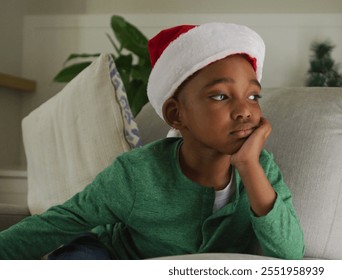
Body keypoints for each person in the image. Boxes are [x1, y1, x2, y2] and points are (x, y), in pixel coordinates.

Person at [0, 22, 304, 260]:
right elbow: (61, 222)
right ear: (177, 114)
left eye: (253, 96)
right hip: (105, 254)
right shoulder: (135, 174)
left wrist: (249, 166)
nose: (244, 111)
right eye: (221, 96)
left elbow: (289, 254)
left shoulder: (261, 168)